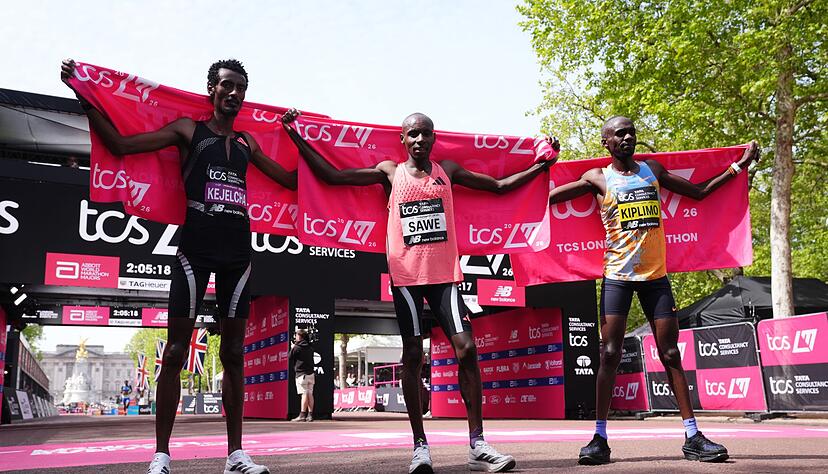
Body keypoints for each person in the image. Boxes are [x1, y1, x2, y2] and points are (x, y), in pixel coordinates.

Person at [282, 110, 557, 473]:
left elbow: (500, 186)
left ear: (433, 138)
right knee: (413, 354)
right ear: (402, 139)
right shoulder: (389, 173)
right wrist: (296, 135)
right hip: (407, 276)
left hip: (444, 275)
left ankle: (478, 444)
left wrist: (542, 165)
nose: (419, 140)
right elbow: (332, 177)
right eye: (412, 134)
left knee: (468, 349)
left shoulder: (449, 171)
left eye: (425, 134)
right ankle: (420, 447)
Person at [61, 58, 295, 474]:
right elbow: (119, 145)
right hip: (195, 250)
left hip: (238, 253)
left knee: (235, 354)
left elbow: (291, 181)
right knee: (173, 351)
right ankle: (161, 454)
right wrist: (84, 95)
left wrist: (300, 134)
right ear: (212, 89)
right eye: (227, 85)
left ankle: (236, 456)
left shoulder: (247, 144)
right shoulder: (189, 130)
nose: (235, 93)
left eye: (241, 87)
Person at [547, 116, 759, 465]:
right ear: (606, 143)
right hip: (617, 277)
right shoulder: (597, 179)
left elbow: (701, 192)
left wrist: (739, 165)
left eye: (631, 132)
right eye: (619, 134)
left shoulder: (652, 170)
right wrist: (544, 165)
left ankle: (693, 435)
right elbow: (546, 200)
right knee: (610, 354)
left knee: (671, 353)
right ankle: (599, 438)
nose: (627, 137)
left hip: (655, 278)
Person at [289, 328, 316, 422]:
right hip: (311, 374)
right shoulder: (310, 347)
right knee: (310, 393)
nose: (295, 337)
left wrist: (292, 347)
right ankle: (310, 415)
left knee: (304, 394)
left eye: (296, 335)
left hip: (301, 374)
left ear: (299, 336)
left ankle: (302, 415)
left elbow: (290, 357)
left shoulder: (296, 347)